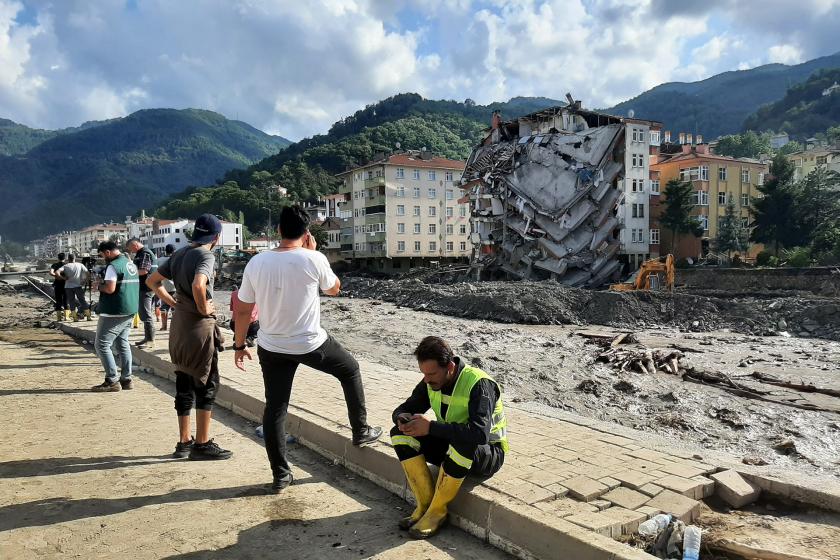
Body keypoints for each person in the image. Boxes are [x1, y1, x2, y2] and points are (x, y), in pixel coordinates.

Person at [233, 205, 381, 493]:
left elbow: (242, 310)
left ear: (278, 230)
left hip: (271, 345)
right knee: (350, 369)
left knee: (276, 407)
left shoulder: (257, 263)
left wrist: (239, 344)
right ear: (306, 232)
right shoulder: (313, 258)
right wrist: (316, 253)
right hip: (310, 343)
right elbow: (334, 289)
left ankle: (281, 475)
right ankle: (360, 431)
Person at [391, 336, 508, 539]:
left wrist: (430, 427)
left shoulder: (479, 384)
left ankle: (437, 512)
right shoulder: (431, 380)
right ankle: (425, 504)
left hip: (488, 453)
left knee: (465, 441)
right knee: (400, 434)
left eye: (432, 373)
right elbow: (406, 407)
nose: (427, 380)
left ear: (450, 367)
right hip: (453, 445)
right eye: (424, 373)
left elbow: (479, 434)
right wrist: (402, 417)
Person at [146, 214, 232, 461]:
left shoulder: (179, 254)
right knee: (207, 384)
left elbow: (153, 281)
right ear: (216, 237)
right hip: (198, 327)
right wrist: (204, 308)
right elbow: (198, 284)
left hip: (179, 325)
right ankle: (203, 444)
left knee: (183, 382)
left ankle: (184, 442)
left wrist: (173, 302)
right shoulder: (206, 255)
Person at [91, 241, 139, 392]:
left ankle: (112, 380)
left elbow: (110, 289)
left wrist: (98, 286)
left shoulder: (113, 266)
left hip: (114, 311)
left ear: (107, 252)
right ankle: (126, 379)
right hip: (130, 309)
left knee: (102, 345)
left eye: (102, 255)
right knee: (122, 344)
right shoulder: (130, 264)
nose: (102, 258)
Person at [126, 238, 157, 349]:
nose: (131, 251)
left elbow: (144, 270)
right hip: (144, 287)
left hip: (147, 288)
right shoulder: (140, 253)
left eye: (130, 248)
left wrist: (128, 274)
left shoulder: (145, 253)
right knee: (143, 313)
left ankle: (150, 341)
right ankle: (147, 338)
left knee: (146, 314)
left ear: (135, 244)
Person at [59, 254, 91, 321]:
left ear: (68, 259)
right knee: (82, 301)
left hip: (68, 287)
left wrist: (63, 278)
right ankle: (88, 316)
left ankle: (75, 318)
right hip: (78, 286)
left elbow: (56, 272)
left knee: (71, 302)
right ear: (75, 258)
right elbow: (88, 273)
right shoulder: (80, 265)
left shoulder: (65, 266)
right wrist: (84, 281)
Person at [157, 244, 177, 331]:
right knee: (175, 307)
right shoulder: (176, 260)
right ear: (174, 251)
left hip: (163, 287)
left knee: (164, 308)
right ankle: (175, 327)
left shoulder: (159, 260)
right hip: (175, 288)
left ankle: (164, 326)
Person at [49, 252, 68, 321]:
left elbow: (51, 272)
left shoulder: (54, 265)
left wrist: (56, 276)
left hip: (57, 285)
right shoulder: (67, 265)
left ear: (58, 258)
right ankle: (67, 317)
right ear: (65, 258)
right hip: (66, 285)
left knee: (58, 301)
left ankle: (59, 318)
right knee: (66, 301)